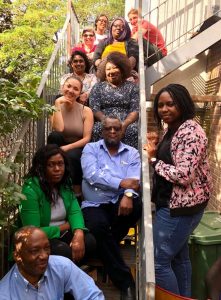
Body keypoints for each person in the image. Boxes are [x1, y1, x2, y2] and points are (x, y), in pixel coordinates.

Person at [145, 83, 212, 297]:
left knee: (158, 262)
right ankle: (184, 296)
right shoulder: (171, 128)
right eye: (160, 105)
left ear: (182, 104)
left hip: (181, 208)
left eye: (170, 104)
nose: (164, 109)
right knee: (179, 258)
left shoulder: (191, 132)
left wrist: (154, 160)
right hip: (174, 203)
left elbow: (184, 175)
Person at [81, 115, 142, 300]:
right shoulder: (90, 148)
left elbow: (135, 182)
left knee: (137, 207)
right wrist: (122, 182)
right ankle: (127, 283)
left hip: (118, 202)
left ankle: (101, 248)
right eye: (109, 128)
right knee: (98, 227)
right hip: (95, 203)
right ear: (102, 130)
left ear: (122, 130)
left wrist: (128, 195)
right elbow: (92, 175)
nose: (113, 131)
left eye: (117, 128)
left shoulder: (132, 152)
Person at [19, 144, 95, 263]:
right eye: (51, 165)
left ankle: (68, 273)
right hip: (40, 239)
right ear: (41, 167)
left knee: (89, 241)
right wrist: (65, 226)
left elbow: (74, 210)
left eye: (60, 163)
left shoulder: (65, 183)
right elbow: (32, 231)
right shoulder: (30, 190)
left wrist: (78, 233)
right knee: (63, 252)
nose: (57, 169)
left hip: (62, 234)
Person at [0, 226, 104, 300]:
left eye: (47, 248)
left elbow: (93, 295)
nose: (44, 256)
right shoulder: (5, 294)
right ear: (17, 256)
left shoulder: (61, 266)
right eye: (35, 251)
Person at [48, 74, 94, 197]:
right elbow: (59, 128)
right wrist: (57, 103)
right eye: (68, 86)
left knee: (72, 155)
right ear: (63, 87)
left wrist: (67, 148)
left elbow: (86, 139)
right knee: (54, 136)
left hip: (78, 146)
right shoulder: (54, 107)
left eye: (75, 89)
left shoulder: (86, 111)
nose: (71, 91)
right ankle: (53, 184)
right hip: (60, 142)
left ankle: (76, 192)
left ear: (79, 93)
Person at [89, 51, 139, 148]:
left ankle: (129, 161)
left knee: (133, 130)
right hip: (104, 121)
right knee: (97, 129)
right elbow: (95, 109)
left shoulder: (132, 87)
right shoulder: (98, 87)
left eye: (115, 68)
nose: (111, 72)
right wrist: (106, 121)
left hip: (126, 121)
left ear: (122, 69)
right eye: (108, 69)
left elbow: (135, 110)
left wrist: (124, 124)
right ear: (104, 71)